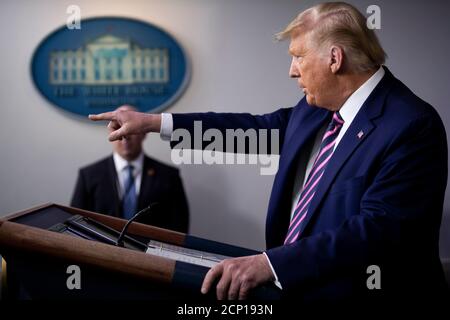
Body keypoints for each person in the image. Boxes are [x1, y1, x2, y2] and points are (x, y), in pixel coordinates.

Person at [89, 2, 448, 303]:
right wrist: (153, 122)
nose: (292, 70)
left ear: (334, 59)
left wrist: (270, 265)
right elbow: (251, 131)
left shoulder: (412, 125)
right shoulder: (316, 108)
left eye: (298, 56)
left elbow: (377, 232)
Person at [71, 105, 190, 233]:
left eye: (131, 129)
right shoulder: (88, 176)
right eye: (118, 128)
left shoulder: (169, 176)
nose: (125, 135)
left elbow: (179, 227)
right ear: (110, 133)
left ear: (144, 134)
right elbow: (75, 224)